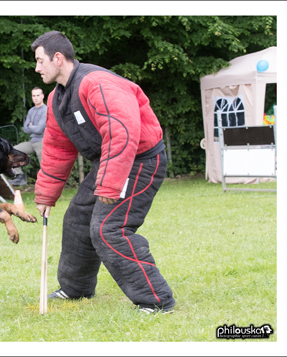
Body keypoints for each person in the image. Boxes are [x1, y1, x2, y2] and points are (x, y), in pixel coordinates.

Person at [32, 31, 175, 313]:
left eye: (40, 61)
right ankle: (76, 288)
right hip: (109, 163)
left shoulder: (98, 83)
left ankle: (156, 301)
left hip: (141, 161)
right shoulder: (55, 99)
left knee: (108, 228)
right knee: (77, 220)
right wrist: (46, 195)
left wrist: (110, 186)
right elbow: (57, 148)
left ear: (57, 58)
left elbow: (121, 132)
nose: (37, 68)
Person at [8, 87, 47, 186]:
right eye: (34, 96)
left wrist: (30, 126)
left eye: (38, 95)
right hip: (32, 141)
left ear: (42, 96)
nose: (36, 98)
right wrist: (33, 127)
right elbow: (25, 129)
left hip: (42, 141)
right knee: (12, 151)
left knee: (46, 166)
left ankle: (48, 185)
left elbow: (38, 130)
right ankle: (19, 177)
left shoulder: (45, 109)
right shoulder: (31, 111)